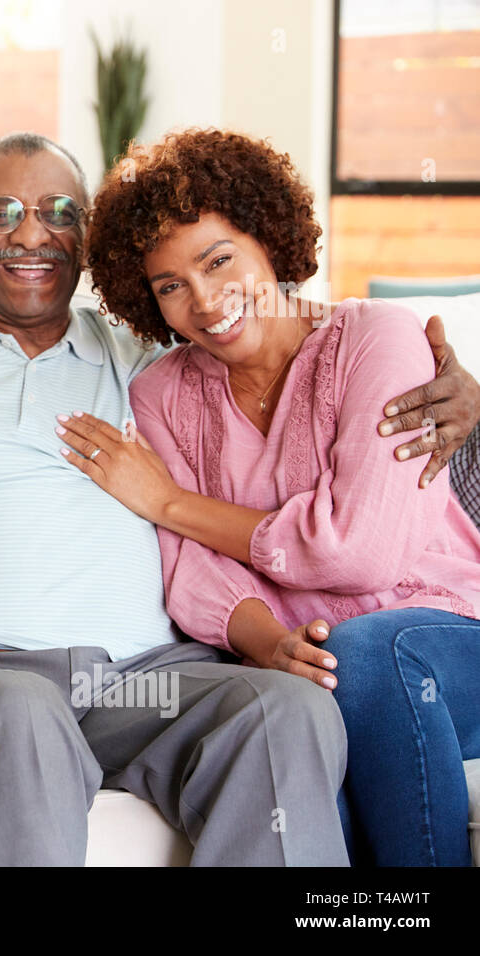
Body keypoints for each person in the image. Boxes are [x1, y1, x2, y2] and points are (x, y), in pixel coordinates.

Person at [0, 131, 480, 865]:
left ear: (88, 244)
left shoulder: (150, 358)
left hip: (146, 674)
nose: (32, 234)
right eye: (0, 213)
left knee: (280, 709)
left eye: (60, 212)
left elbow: (284, 357)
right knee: (20, 711)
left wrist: (462, 388)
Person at [66, 127, 480, 866]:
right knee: (298, 719)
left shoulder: (377, 341)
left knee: (364, 656)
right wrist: (267, 644)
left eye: (219, 260)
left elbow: (359, 550)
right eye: (170, 286)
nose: (205, 301)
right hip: (311, 663)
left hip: (440, 640)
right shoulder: (159, 395)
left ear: (268, 239)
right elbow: (190, 568)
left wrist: (170, 503)